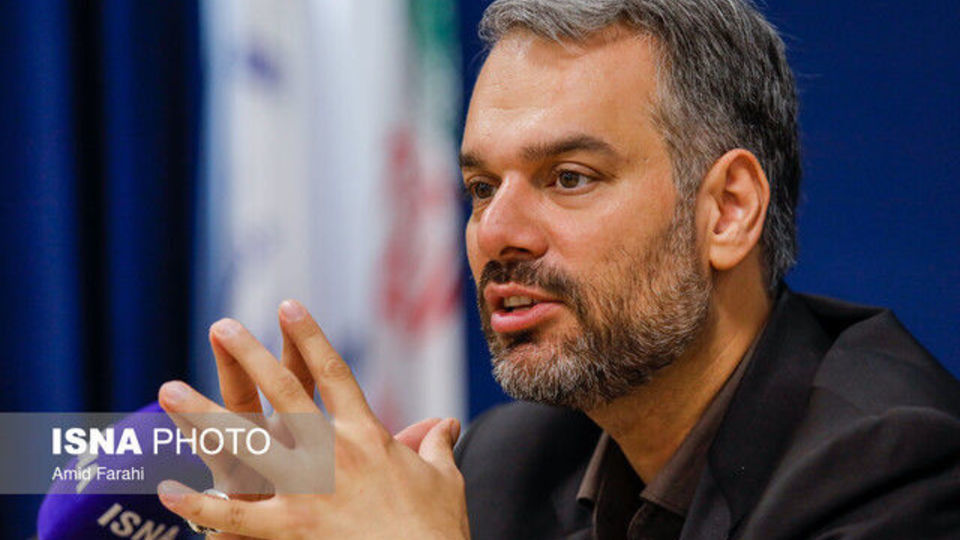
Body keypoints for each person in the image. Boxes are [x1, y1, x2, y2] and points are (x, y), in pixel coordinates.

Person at [154, 0, 960, 538]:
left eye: (569, 177)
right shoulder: (507, 465)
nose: (496, 234)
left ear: (728, 210)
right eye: (481, 187)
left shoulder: (896, 470)